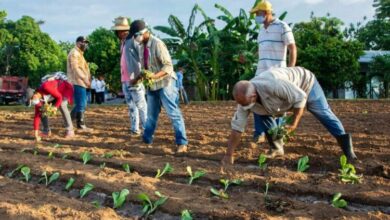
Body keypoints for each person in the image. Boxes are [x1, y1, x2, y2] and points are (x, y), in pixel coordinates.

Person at [221, 67, 357, 166]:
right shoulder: (244, 99)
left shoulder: (273, 84)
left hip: (305, 85)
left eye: (248, 104)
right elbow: (237, 128)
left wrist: (293, 124)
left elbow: (300, 97)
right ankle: (277, 148)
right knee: (261, 114)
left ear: (253, 96)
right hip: (282, 101)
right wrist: (228, 154)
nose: (245, 109)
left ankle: (348, 151)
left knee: (323, 113)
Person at [129, 20, 188, 153]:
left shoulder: (157, 44)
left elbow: (168, 66)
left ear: (143, 33)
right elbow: (145, 69)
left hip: (166, 83)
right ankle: (147, 138)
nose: (135, 38)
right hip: (153, 86)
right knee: (151, 115)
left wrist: (154, 76)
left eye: (136, 35)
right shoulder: (141, 47)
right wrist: (137, 79)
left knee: (173, 113)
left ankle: (182, 143)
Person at [250, 0, 297, 144]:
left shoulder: (282, 27)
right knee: (255, 102)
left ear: (266, 13)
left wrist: (290, 70)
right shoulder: (261, 31)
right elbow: (262, 49)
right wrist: (249, 56)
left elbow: (292, 48)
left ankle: (277, 134)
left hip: (277, 73)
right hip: (260, 74)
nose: (256, 16)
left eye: (257, 13)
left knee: (277, 105)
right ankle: (260, 133)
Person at [111, 16, 147, 135]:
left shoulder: (134, 39)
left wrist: (140, 74)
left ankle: (147, 130)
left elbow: (143, 55)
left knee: (141, 105)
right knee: (131, 106)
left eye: (117, 31)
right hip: (125, 79)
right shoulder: (123, 42)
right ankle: (135, 129)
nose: (116, 33)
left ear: (123, 31)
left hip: (135, 79)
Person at [29, 72, 74, 142]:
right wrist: (36, 135)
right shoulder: (38, 99)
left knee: (62, 105)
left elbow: (59, 97)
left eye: (32, 100)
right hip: (53, 95)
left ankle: (70, 130)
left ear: (34, 95)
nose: (33, 102)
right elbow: (37, 116)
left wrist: (55, 108)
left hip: (63, 89)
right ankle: (46, 131)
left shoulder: (46, 87)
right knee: (42, 110)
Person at [67, 36, 92, 131]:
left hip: (80, 81)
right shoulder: (74, 53)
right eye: (84, 42)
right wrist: (84, 78)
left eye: (86, 43)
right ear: (78, 43)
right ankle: (80, 125)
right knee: (81, 103)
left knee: (81, 103)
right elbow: (76, 69)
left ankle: (68, 120)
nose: (85, 44)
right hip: (77, 81)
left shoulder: (79, 54)